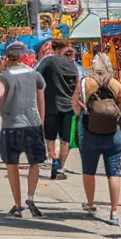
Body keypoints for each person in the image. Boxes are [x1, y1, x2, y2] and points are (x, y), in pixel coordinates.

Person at [74, 54, 121, 225]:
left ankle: (91, 204)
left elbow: (76, 106)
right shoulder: (116, 84)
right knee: (113, 173)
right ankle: (114, 211)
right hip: (113, 134)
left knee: (89, 171)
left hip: (90, 132)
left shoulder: (86, 83)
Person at [0, 41, 46, 218]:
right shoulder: (35, 74)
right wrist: (41, 121)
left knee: (12, 165)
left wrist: (3, 113)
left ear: (8, 58)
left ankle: (17, 204)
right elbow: (41, 101)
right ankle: (30, 197)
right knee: (35, 162)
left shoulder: (5, 76)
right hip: (33, 124)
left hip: (11, 126)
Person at [34, 40, 78, 181]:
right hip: (68, 106)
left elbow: (35, 76)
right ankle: (61, 167)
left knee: (51, 137)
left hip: (51, 106)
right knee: (65, 140)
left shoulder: (49, 61)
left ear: (53, 48)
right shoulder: (73, 65)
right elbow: (77, 84)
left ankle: (54, 162)